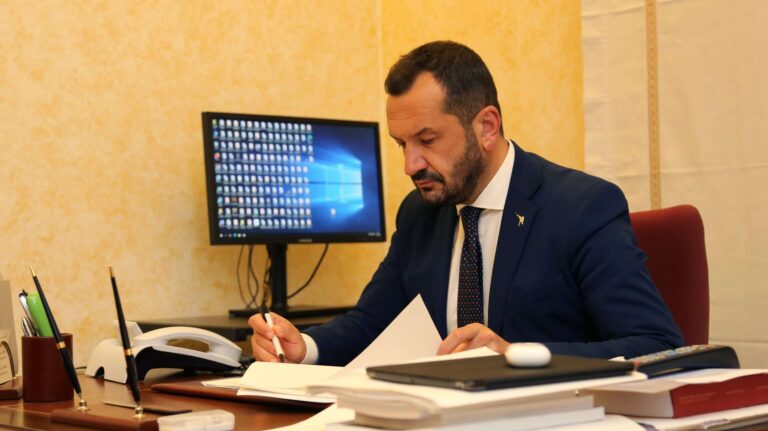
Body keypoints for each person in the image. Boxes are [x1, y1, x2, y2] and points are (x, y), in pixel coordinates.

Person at [249, 41, 684, 366]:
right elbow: (372, 322)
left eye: (427, 140)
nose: (410, 165)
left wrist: (513, 355)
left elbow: (656, 344)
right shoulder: (420, 213)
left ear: (487, 127)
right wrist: (306, 347)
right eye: (401, 144)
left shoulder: (580, 207)